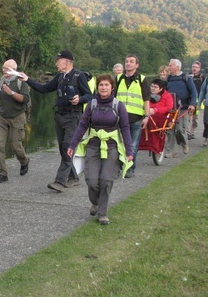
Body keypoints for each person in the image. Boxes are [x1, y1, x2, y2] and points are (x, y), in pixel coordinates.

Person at [17, 50, 93, 192]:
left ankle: (59, 181)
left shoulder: (79, 76)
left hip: (73, 117)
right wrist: (27, 80)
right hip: (60, 116)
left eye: (58, 60)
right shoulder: (59, 77)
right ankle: (74, 178)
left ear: (67, 62)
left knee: (67, 148)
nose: (56, 63)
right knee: (62, 149)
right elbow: (44, 89)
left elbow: (90, 95)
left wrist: (79, 99)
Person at [67, 74, 134, 225]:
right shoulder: (92, 104)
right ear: (97, 87)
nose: (103, 88)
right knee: (92, 181)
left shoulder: (118, 106)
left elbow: (125, 128)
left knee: (106, 180)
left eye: (106, 85)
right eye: (101, 85)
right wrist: (72, 145)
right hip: (93, 147)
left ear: (112, 87)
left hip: (111, 148)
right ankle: (95, 202)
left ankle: (102, 213)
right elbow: (82, 125)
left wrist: (129, 151)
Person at [0, 59, 31, 183]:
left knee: (16, 145)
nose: (4, 70)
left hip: (17, 117)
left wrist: (11, 93)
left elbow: (24, 99)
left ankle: (24, 160)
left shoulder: (21, 82)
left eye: (7, 68)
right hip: (2, 117)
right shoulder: (0, 81)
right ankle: (2, 173)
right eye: (3, 68)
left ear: (14, 70)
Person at [115, 54, 150, 178]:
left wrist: (147, 116)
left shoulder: (142, 79)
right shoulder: (118, 78)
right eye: (126, 61)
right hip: (120, 117)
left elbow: (146, 99)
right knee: (119, 143)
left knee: (133, 145)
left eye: (131, 62)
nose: (128, 64)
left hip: (136, 118)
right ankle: (118, 167)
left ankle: (130, 168)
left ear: (137, 65)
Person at [164, 59, 197, 158]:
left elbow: (194, 92)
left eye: (170, 66)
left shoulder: (186, 78)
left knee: (180, 129)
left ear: (177, 67)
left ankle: (184, 143)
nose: (169, 67)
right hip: (171, 108)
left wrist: (192, 104)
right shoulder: (168, 79)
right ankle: (171, 151)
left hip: (183, 107)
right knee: (170, 130)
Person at [139, 78, 174, 156]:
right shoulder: (147, 95)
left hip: (161, 116)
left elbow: (168, 107)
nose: (152, 88)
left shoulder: (167, 96)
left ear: (161, 88)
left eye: (155, 87)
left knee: (151, 121)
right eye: (151, 86)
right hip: (148, 114)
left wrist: (155, 110)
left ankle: (152, 144)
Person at [187, 61, 205, 139]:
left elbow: (204, 89)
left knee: (195, 118)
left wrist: (204, 98)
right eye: (193, 67)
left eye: (196, 67)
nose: (194, 68)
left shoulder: (202, 77)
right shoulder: (188, 76)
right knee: (188, 117)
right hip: (189, 99)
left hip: (198, 100)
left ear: (199, 68)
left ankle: (192, 132)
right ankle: (187, 132)